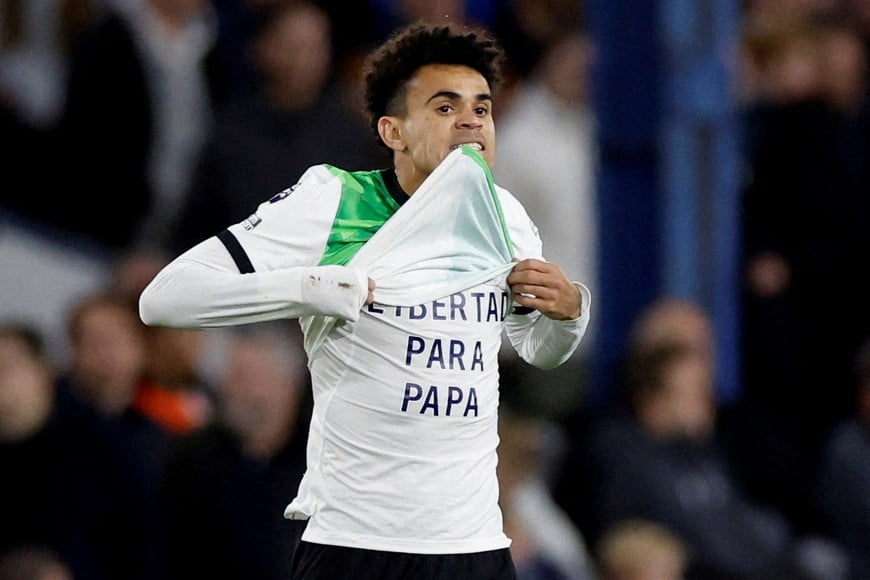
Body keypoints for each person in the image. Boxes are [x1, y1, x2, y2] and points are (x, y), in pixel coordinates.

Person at [139, 22, 590, 580]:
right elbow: (164, 299)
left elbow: (539, 350)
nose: (472, 121)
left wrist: (568, 314)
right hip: (357, 543)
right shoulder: (334, 202)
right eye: (445, 108)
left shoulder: (507, 218)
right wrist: (310, 289)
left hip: (472, 543)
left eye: (483, 107)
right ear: (393, 130)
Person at [160, 322, 310, 580]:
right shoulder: (192, 460)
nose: (231, 389)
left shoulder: (319, 461)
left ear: (288, 387)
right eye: (228, 377)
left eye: (246, 377)